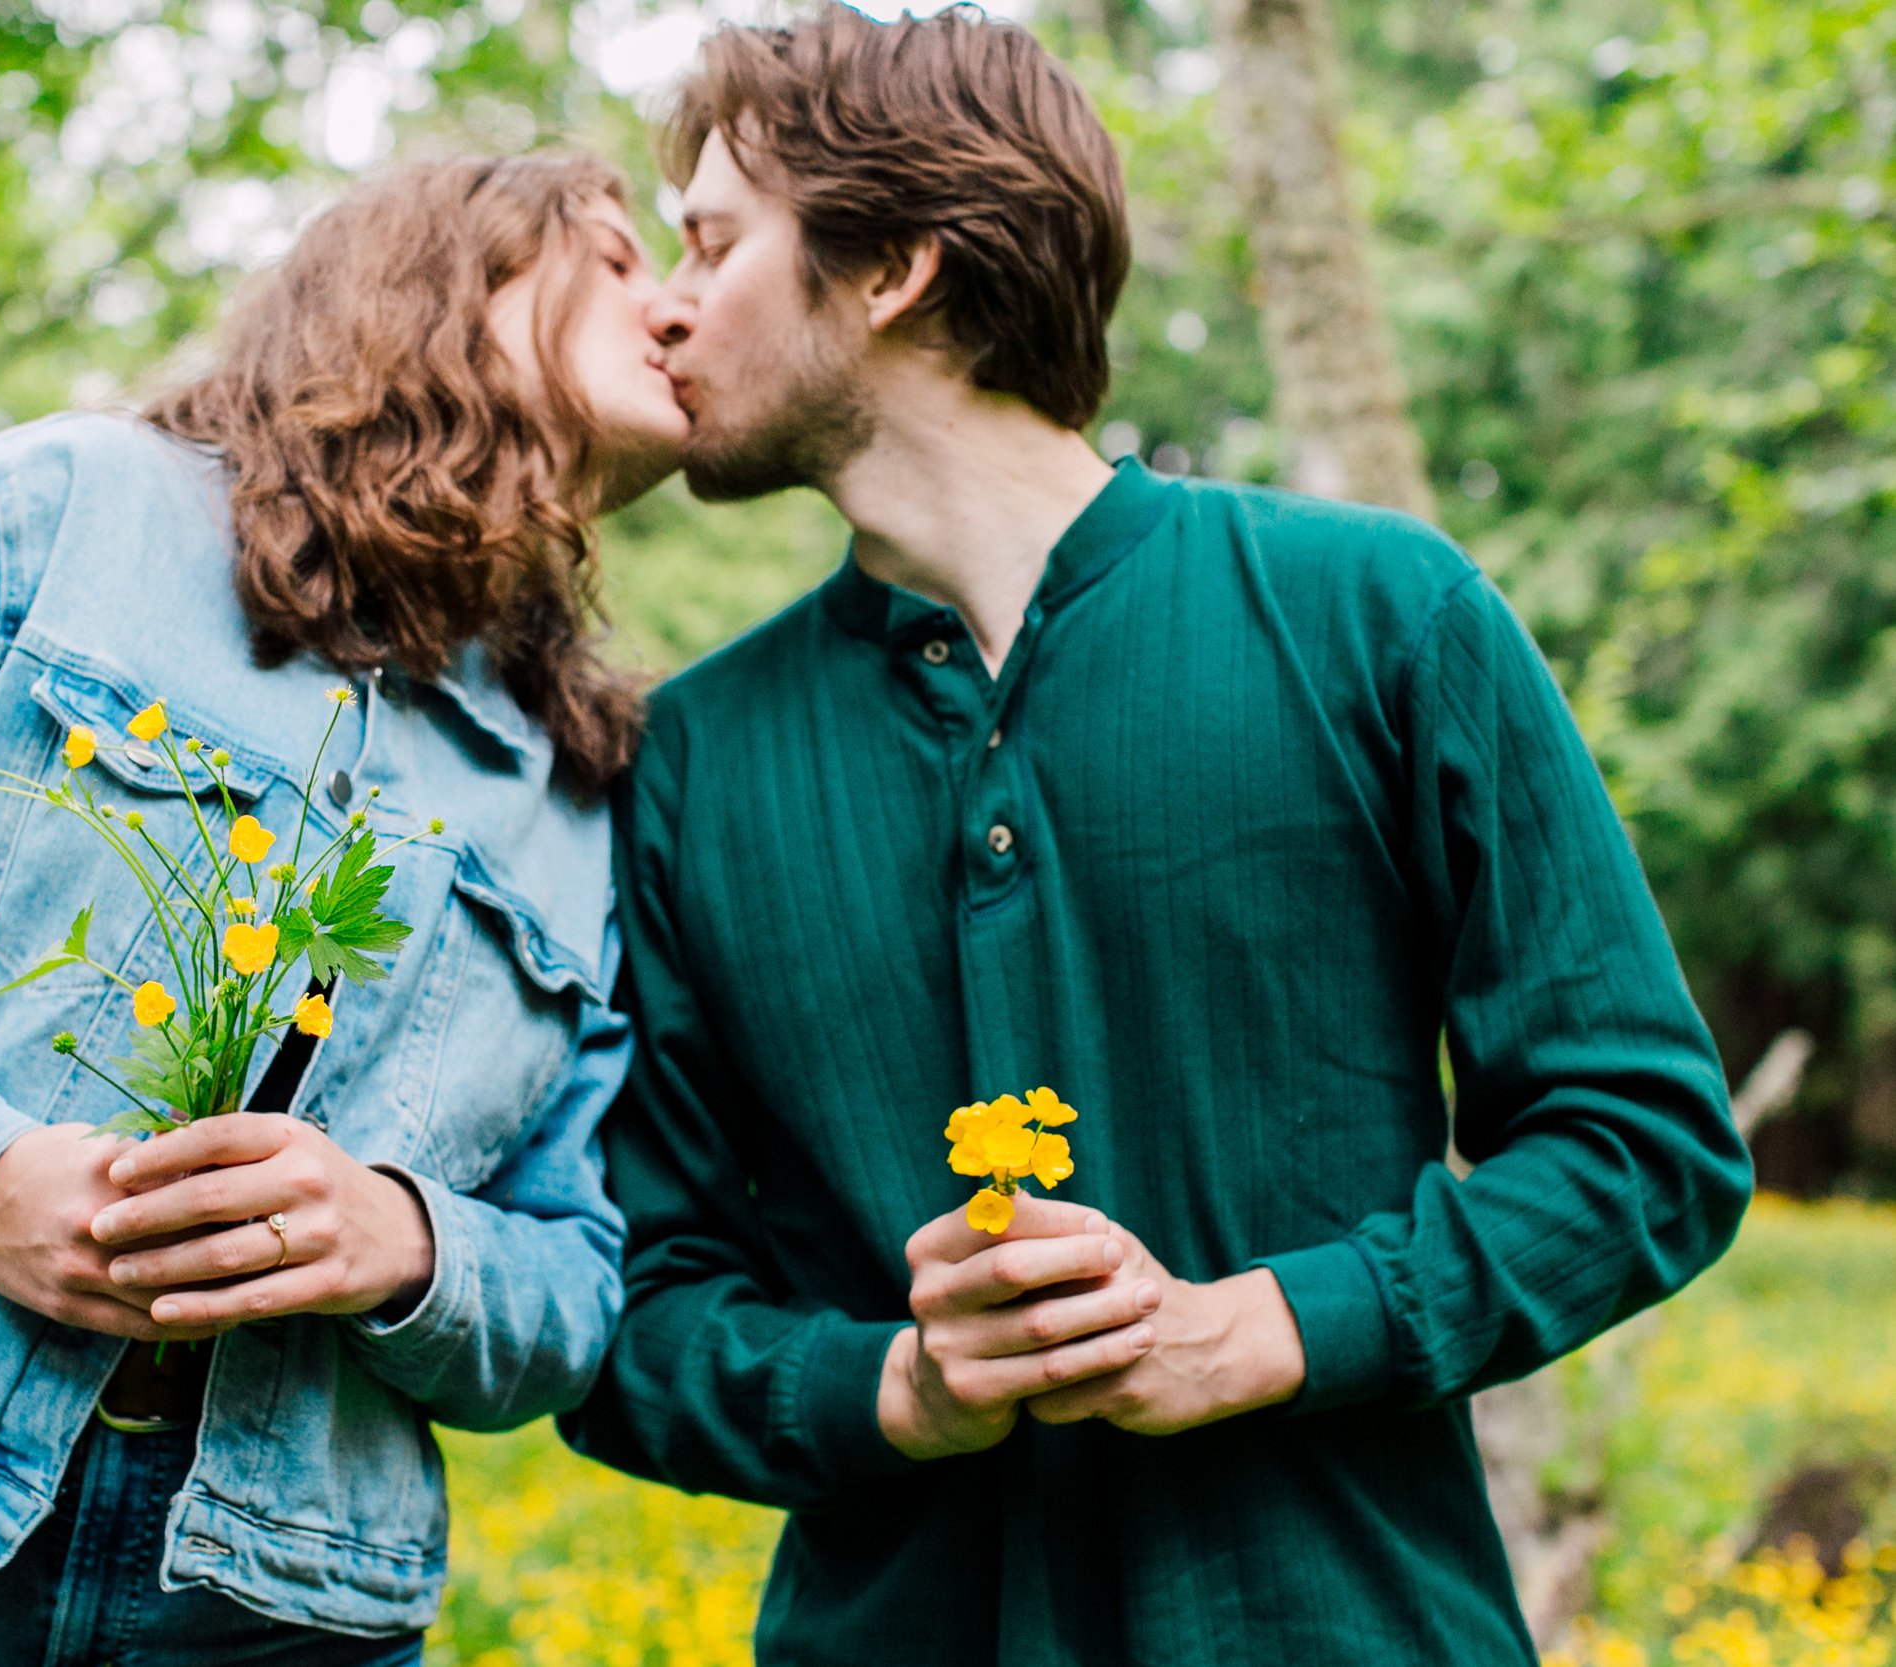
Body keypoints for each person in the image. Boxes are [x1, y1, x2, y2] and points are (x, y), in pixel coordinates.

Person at [562, 10, 1754, 1664]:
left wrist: (1269, 1327)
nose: (664, 306)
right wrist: (893, 1387)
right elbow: (626, 1310)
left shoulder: (1384, 617)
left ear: (895, 261)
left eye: (714, 240)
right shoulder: (686, 758)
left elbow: (1643, 1142)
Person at [0, 151, 685, 1666]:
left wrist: (406, 1244)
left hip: (278, 1614)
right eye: (616, 257)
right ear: (448, 278)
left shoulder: (583, 790)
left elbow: (574, 1273)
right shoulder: (71, 511)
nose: (670, 301)